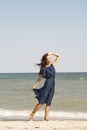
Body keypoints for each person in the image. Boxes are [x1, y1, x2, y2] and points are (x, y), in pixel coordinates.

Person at [29, 52, 60, 121]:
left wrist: (51, 53)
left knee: (49, 102)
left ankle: (46, 117)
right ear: (46, 60)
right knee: (41, 102)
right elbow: (39, 78)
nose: (50, 58)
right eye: (48, 58)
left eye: (50, 57)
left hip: (52, 85)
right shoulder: (43, 69)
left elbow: (58, 56)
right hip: (47, 85)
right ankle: (32, 114)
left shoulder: (53, 65)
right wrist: (34, 86)